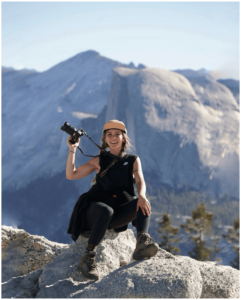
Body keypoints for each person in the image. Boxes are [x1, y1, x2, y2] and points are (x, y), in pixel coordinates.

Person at [66, 120, 159, 280]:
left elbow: (140, 181)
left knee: (141, 202)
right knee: (106, 211)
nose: (113, 137)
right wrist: (72, 150)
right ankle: (88, 257)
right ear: (105, 139)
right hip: (94, 210)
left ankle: (142, 242)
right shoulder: (99, 160)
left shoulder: (133, 160)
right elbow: (71, 175)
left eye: (117, 134)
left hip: (115, 214)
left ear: (124, 137)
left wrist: (142, 195)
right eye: (109, 135)